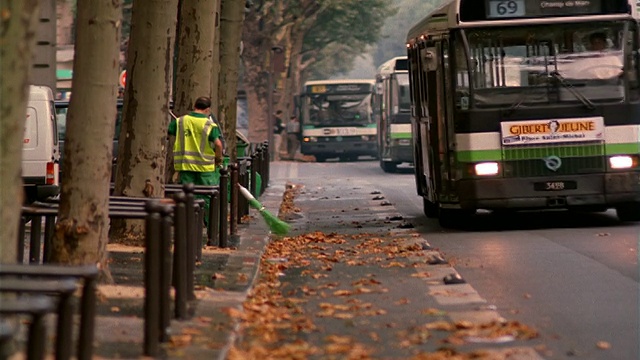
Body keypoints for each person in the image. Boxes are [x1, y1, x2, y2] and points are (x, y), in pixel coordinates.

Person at [168, 96, 223, 227]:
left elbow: (170, 132)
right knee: (209, 196)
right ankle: (211, 225)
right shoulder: (210, 125)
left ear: (194, 106)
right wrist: (218, 159)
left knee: (187, 196)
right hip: (205, 168)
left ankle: (187, 224)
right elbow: (218, 144)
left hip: (185, 165)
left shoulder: (180, 121)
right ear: (208, 110)